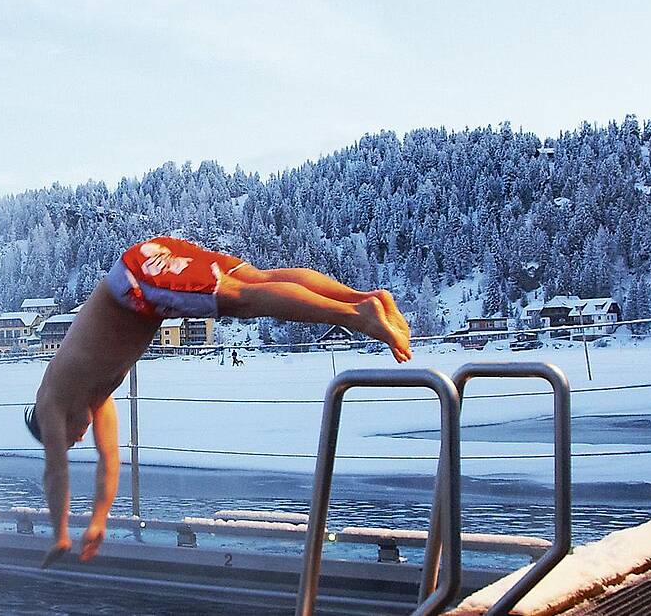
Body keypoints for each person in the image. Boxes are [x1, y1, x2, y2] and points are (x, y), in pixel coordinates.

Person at [26, 236, 410, 566]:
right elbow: (109, 461)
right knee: (257, 280)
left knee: (244, 299)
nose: (78, 436)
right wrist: (98, 520)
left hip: (136, 283)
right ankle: (368, 300)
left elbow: (54, 472)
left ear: (51, 428)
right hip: (146, 265)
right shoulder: (98, 398)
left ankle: (358, 316)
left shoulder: (51, 400)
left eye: (70, 437)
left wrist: (59, 534)